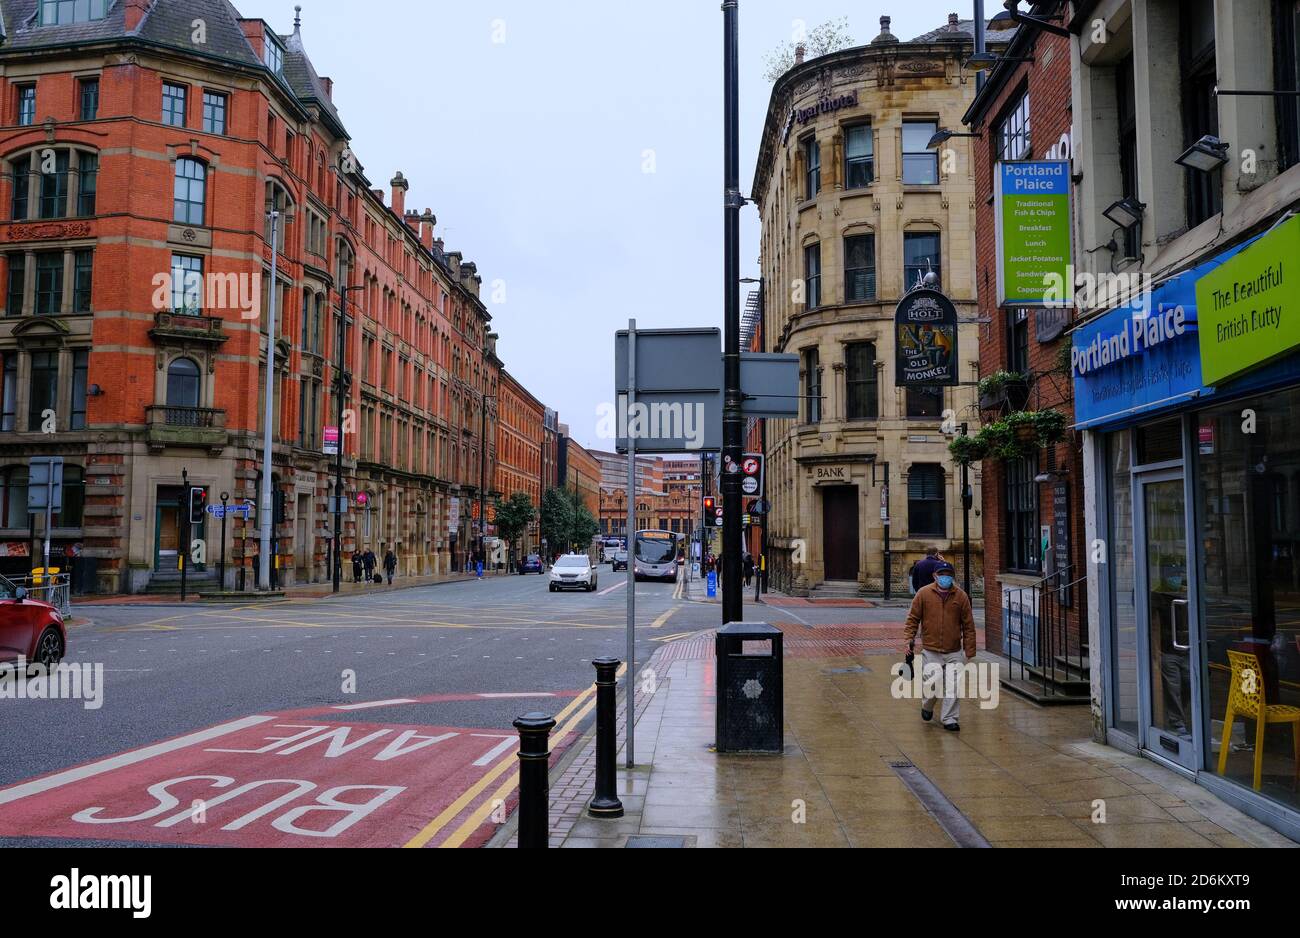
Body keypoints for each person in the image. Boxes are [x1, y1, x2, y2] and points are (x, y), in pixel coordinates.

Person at [902, 561, 977, 732]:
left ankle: (950, 718)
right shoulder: (923, 594)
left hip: (954, 650)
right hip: (931, 649)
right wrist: (909, 640)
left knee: (953, 686)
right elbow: (912, 619)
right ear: (935, 576)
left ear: (953, 576)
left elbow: (968, 625)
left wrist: (969, 650)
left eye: (948, 575)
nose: (945, 578)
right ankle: (927, 706)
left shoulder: (961, 596)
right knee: (932, 686)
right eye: (942, 574)